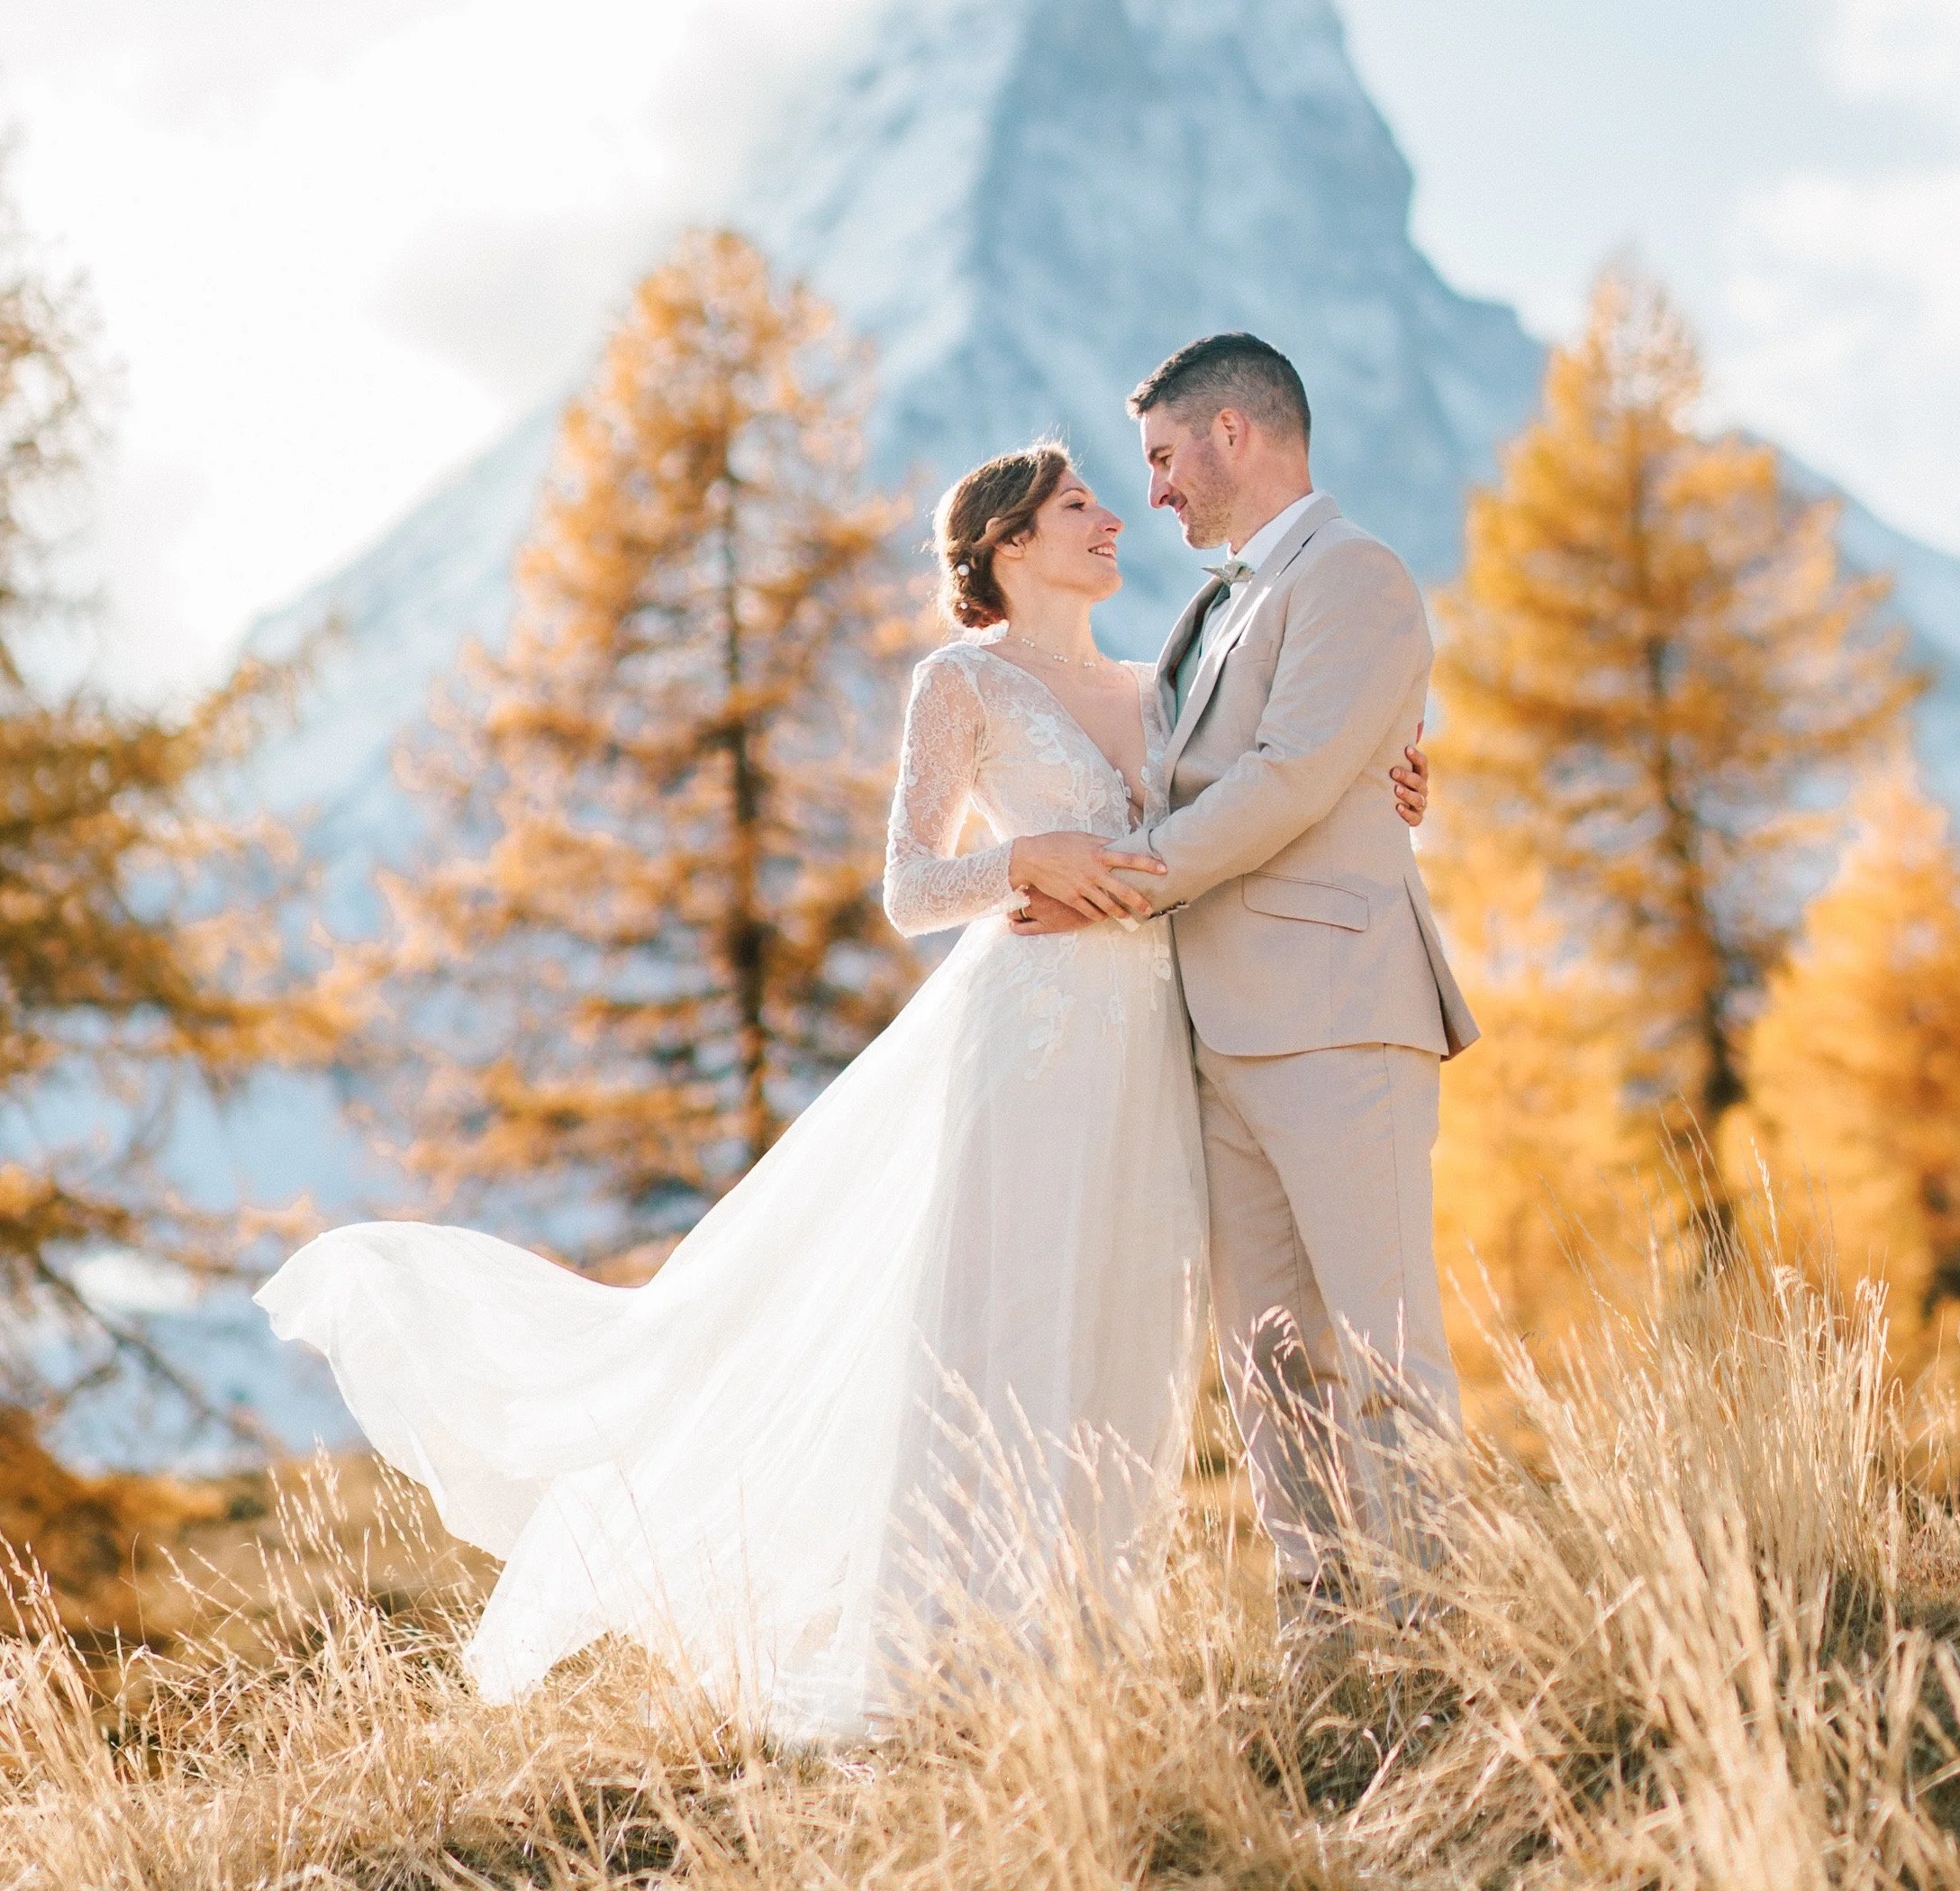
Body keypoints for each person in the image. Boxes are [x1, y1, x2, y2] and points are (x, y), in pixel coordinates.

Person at [256, 432, 1432, 1739]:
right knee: (1005, 1323)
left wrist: (1390, 782)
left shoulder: (1158, 683)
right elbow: (911, 887)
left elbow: (1260, 790)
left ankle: (1082, 1654)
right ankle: (954, 1654)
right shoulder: (960, 683)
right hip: (1031, 1036)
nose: (1115, 516)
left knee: (1121, 1328)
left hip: (1154, 1041)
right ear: (1006, 544)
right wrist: (1024, 859)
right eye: (1078, 504)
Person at [1014, 334, 1479, 1614]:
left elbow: (1286, 780)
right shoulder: (1212, 606)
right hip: (1215, 1034)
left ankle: (1436, 1633)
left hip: (1338, 1019)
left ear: (1235, 433)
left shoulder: (1354, 575)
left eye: (1165, 457)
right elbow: (1203, 778)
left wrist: (1123, 884)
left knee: (1384, 1346)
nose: (1153, 489)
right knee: (1271, 1366)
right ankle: (1321, 1633)